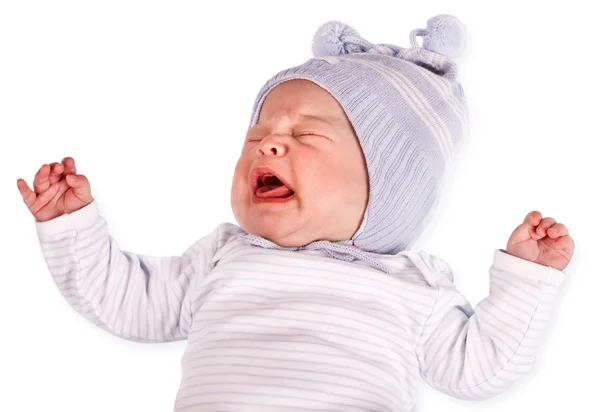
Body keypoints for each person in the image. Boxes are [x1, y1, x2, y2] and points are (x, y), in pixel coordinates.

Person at [17, 14, 574, 412]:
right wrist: (72, 225)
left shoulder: (414, 287)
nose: (268, 145)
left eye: (305, 134)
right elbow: (127, 303)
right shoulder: (221, 257)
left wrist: (527, 279)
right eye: (258, 134)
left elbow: (478, 371)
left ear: (389, 187)